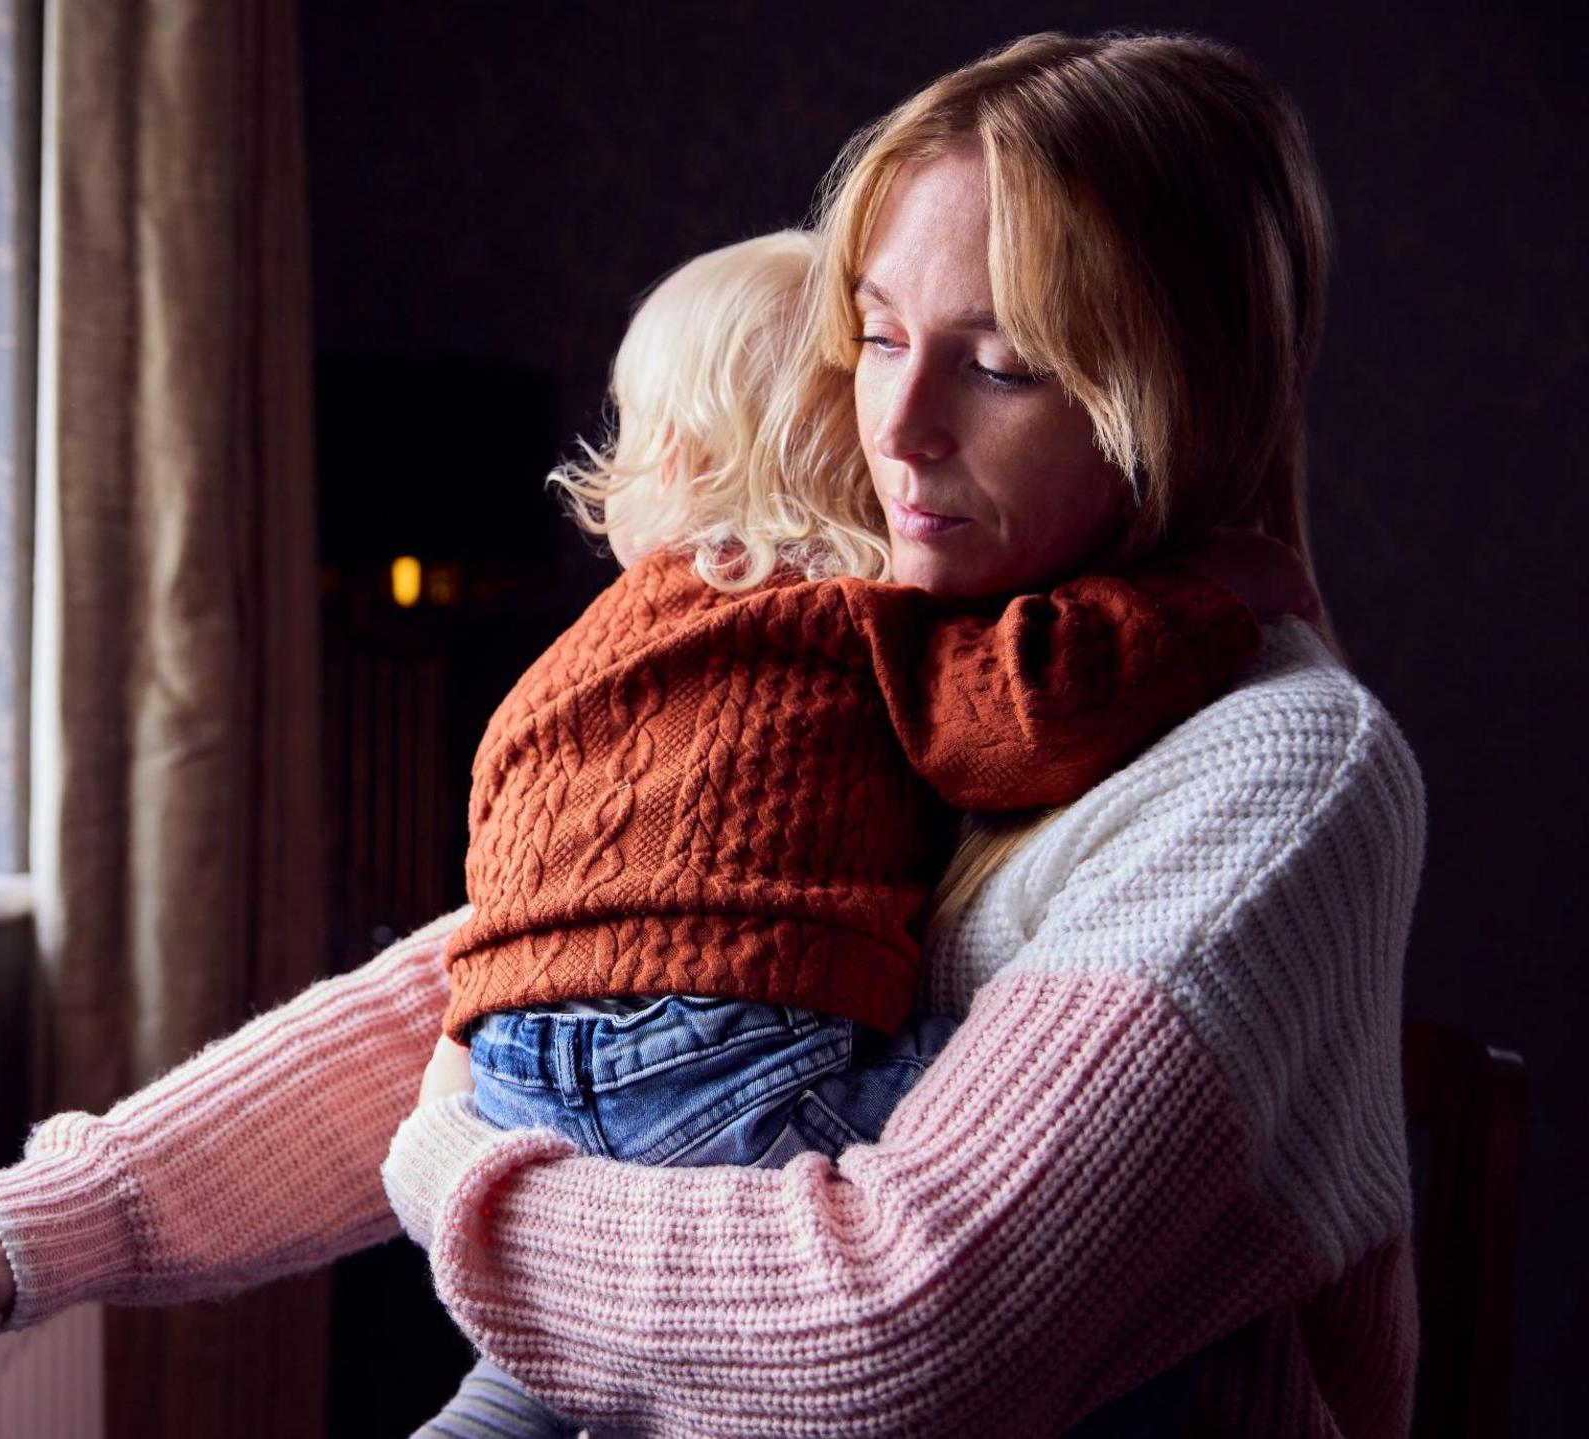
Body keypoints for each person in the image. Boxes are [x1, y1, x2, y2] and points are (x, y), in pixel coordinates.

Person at [0, 31, 1422, 1437]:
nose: (894, 422)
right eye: (874, 335)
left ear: (1172, 390)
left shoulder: (1270, 767)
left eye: (1005, 362)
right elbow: (541, 969)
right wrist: (42, 1218)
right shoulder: (912, 651)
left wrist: (460, 1172)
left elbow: (901, 1324)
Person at [404, 228, 1285, 1439]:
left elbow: (498, 854)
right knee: (1109, 1257)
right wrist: (1214, 595)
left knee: (541, 1387)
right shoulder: (847, 612)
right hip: (719, 1047)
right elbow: (1026, 710)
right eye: (880, 348)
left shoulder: (574, 656)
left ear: (667, 451)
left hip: (509, 1065)